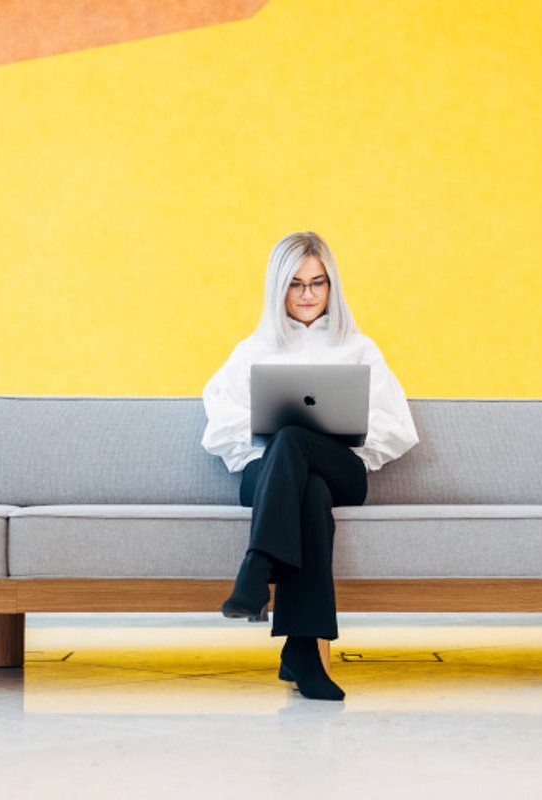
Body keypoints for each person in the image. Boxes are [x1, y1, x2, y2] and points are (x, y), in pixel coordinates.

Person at [201, 231, 418, 701]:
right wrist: (277, 444)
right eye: (295, 284)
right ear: (277, 288)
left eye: (317, 283)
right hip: (270, 477)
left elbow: (398, 425)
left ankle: (259, 566)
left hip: (343, 470)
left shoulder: (360, 349)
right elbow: (218, 425)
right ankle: (301, 652)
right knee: (307, 489)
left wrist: (326, 437)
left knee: (296, 438)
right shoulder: (251, 351)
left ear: (332, 286)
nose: (306, 295)